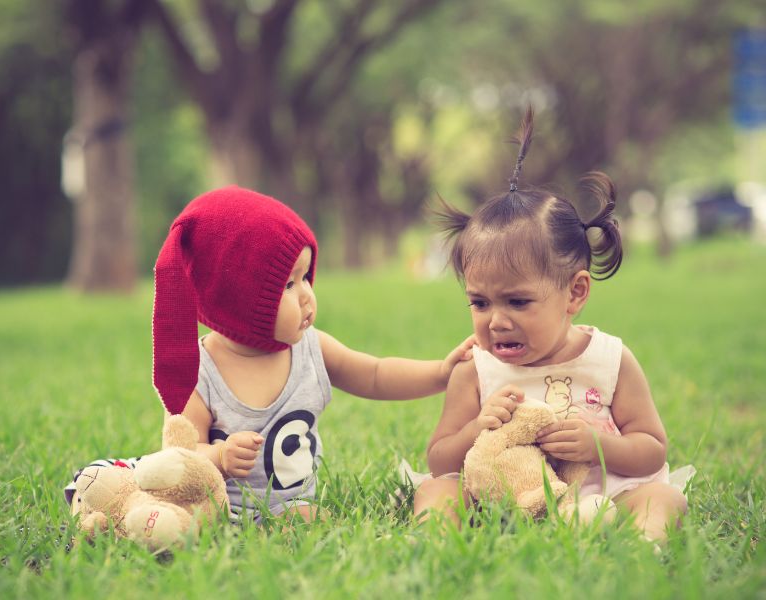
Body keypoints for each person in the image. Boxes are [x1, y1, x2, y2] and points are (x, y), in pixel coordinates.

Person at [412, 109, 687, 542]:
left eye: (518, 301)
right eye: (479, 302)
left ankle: (642, 544)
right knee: (436, 490)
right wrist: (476, 427)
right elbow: (439, 458)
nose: (496, 321)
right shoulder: (475, 367)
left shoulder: (610, 359)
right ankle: (430, 540)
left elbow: (652, 449)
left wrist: (600, 447)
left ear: (575, 293)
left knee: (663, 499)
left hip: (597, 496)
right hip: (501, 493)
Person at [151, 186, 475, 525]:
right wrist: (218, 455)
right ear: (237, 302)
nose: (307, 295)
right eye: (288, 285)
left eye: (306, 277)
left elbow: (375, 374)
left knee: (309, 518)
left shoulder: (310, 347)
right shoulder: (198, 373)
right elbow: (179, 457)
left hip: (293, 507)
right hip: (220, 510)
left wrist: (441, 372)